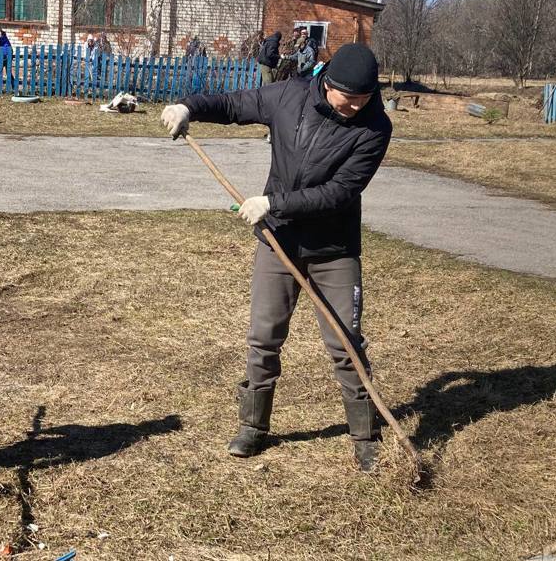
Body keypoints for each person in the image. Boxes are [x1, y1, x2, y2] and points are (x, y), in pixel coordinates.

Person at [159, 43, 392, 472]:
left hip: (334, 250)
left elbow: (340, 193)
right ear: (327, 84)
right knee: (264, 337)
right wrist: (188, 107)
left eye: (363, 99)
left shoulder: (375, 127)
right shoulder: (289, 95)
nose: (355, 107)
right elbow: (234, 104)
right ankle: (253, 426)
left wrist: (274, 202)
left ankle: (365, 437)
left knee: (346, 344)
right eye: (348, 98)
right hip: (278, 242)